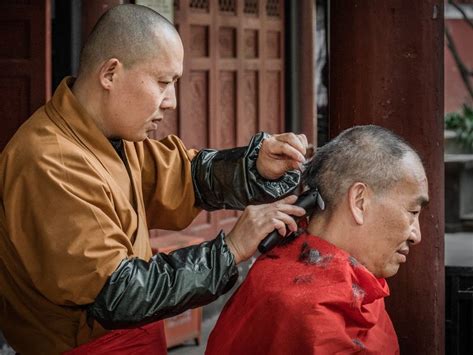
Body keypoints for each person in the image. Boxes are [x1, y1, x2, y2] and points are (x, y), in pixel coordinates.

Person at [0, 5, 309, 354]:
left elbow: (188, 175)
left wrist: (256, 168)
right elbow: (119, 293)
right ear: (111, 73)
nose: (172, 101)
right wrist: (230, 249)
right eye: (164, 82)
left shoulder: (109, 136)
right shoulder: (49, 160)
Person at [206, 125, 429, 355]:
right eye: (412, 212)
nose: (416, 236)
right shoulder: (309, 311)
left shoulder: (357, 278)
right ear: (360, 201)